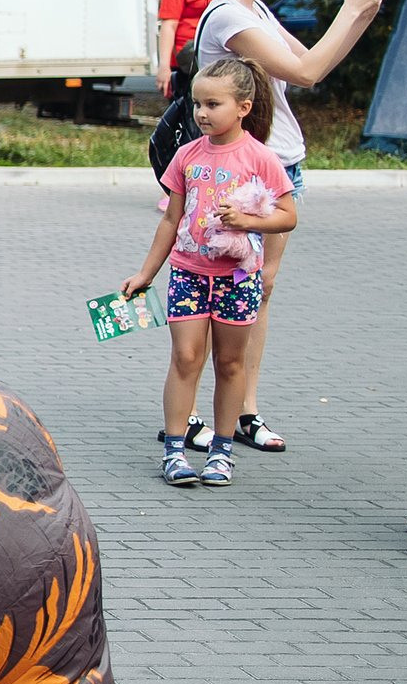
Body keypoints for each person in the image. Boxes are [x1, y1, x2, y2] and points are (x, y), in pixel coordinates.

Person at [186, 0, 384, 453]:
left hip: (277, 165)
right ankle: (197, 412)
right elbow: (306, 75)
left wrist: (361, 14)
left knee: (258, 290)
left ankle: (244, 409)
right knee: (216, 285)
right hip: (241, 172)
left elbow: (308, 62)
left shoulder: (258, 9)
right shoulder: (229, 17)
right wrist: (349, 9)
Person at [123, 57, 298, 489]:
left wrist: (248, 222)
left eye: (213, 104)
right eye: (197, 103)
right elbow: (170, 220)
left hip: (238, 279)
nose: (202, 113)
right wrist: (146, 272)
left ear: (242, 107)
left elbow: (288, 216)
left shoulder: (261, 158)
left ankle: (221, 452)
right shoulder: (186, 155)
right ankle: (175, 452)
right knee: (185, 358)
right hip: (188, 272)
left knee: (230, 362)